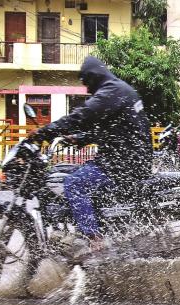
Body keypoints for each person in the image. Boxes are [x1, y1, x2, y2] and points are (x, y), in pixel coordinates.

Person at [27, 56, 153, 249]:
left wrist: (45, 132)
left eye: (87, 84)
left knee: (74, 183)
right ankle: (93, 226)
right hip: (130, 159)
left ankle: (94, 240)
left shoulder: (111, 91)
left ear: (94, 77)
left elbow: (82, 115)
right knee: (73, 171)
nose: (87, 90)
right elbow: (113, 130)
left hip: (123, 164)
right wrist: (80, 139)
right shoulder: (120, 88)